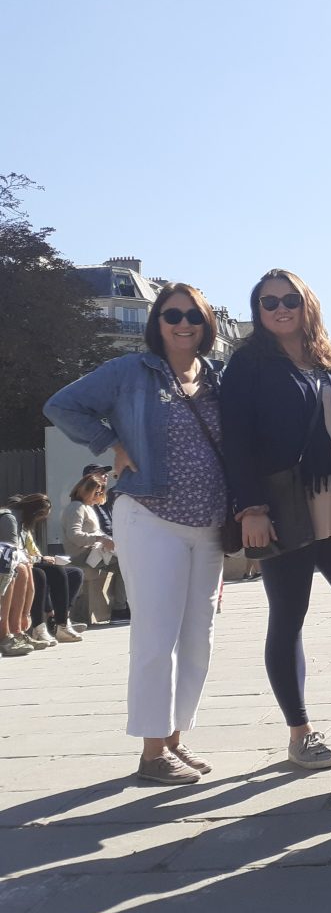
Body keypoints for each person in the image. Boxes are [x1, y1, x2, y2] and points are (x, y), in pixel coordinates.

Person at [45, 282, 228, 785]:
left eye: (193, 314)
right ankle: (151, 752)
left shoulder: (216, 377)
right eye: (172, 315)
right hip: (151, 515)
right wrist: (110, 442)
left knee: (198, 638)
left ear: (206, 322)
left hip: (209, 524)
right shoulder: (131, 371)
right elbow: (62, 405)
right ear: (157, 323)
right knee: (155, 633)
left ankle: (173, 740)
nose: (183, 323)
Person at [220, 268, 331, 769]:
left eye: (290, 300)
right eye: (268, 302)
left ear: (307, 304)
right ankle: (300, 732)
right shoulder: (248, 364)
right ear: (258, 312)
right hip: (284, 507)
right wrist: (251, 508)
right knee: (289, 618)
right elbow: (237, 441)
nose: (280, 308)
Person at [0, 493, 84, 648]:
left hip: (17, 563)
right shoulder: (10, 519)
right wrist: (39, 559)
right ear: (34, 513)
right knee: (37, 574)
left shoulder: (21, 522)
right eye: (41, 517)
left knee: (59, 571)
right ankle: (35, 627)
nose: (41, 522)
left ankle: (62, 623)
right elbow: (12, 554)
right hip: (8, 564)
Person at [61, 474, 117, 624]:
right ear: (86, 490)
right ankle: (119, 607)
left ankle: (117, 606)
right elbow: (74, 535)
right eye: (96, 492)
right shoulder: (76, 508)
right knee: (126, 564)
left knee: (127, 561)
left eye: (100, 492)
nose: (99, 496)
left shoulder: (87, 507)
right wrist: (100, 539)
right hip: (82, 554)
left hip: (93, 552)